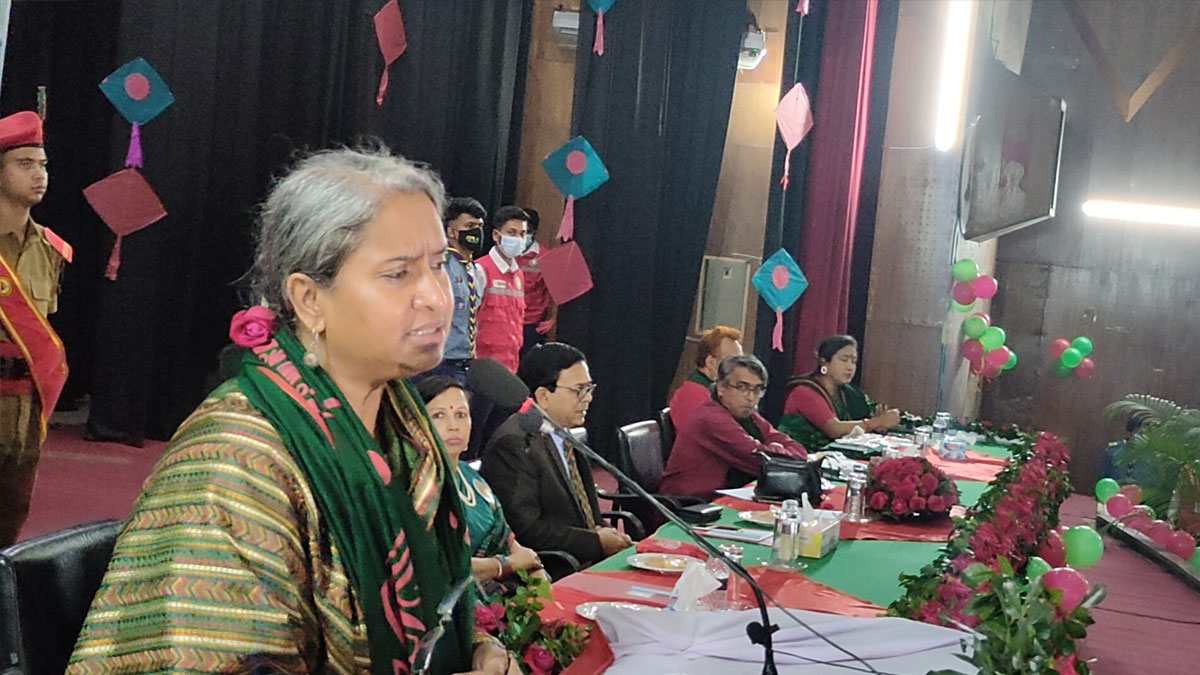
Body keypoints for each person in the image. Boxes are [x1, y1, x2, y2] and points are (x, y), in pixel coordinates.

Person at [69, 148, 515, 675]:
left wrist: (476, 648)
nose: (437, 298)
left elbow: (433, 605)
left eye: (438, 266)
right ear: (309, 300)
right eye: (398, 274)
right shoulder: (237, 460)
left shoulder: (401, 419)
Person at [480, 342, 632, 569]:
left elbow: (587, 513)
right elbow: (526, 530)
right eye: (579, 390)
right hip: (555, 568)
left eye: (589, 388)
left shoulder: (565, 433)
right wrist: (595, 542)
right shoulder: (516, 443)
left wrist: (607, 534)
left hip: (585, 560)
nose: (588, 398)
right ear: (543, 396)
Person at [0, 110, 72, 547]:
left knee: (10, 520)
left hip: (25, 410)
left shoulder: (52, 250)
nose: (39, 175)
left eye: (43, 165)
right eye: (24, 164)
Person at [416, 376, 547, 599]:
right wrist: (506, 564)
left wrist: (536, 573)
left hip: (503, 596)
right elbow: (438, 565)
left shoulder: (470, 477)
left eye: (461, 415)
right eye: (438, 416)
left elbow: (510, 542)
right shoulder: (417, 489)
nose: (453, 426)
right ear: (417, 425)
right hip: (453, 605)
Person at [660, 355, 807, 500]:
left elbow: (798, 452)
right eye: (742, 387)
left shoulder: (747, 415)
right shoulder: (712, 418)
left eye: (757, 389)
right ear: (721, 388)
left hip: (719, 499)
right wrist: (777, 448)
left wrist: (776, 448)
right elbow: (761, 462)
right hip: (690, 505)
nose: (751, 397)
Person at [778, 335, 900, 450]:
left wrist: (882, 422)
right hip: (798, 456)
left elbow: (867, 417)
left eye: (853, 361)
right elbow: (835, 429)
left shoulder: (849, 393)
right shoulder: (804, 391)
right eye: (844, 360)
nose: (850, 367)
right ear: (824, 362)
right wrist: (877, 422)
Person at [425, 197, 486, 384]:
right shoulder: (440, 265)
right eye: (469, 226)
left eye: (479, 226)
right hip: (439, 363)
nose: (476, 232)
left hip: (464, 362)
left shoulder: (473, 269)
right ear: (451, 231)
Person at [473, 206, 528, 373]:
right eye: (512, 233)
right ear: (496, 235)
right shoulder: (480, 270)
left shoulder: (519, 274)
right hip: (483, 365)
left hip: (511, 364)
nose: (518, 239)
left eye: (522, 234)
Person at [668, 325, 743, 431]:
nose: (740, 370)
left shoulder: (715, 390)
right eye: (733, 362)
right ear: (711, 362)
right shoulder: (693, 394)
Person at [515, 208, 554, 359]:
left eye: (527, 232)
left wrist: (553, 320)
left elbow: (559, 293)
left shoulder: (545, 257)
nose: (522, 237)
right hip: (504, 323)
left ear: (534, 232)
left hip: (531, 326)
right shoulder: (504, 253)